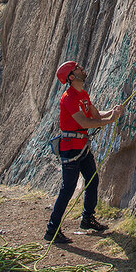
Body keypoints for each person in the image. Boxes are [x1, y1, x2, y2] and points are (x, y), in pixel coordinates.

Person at [44, 61, 122, 244]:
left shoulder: (82, 94)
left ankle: (87, 219)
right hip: (71, 148)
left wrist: (112, 112)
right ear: (71, 77)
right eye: (78, 68)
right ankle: (52, 229)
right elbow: (84, 123)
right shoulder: (68, 98)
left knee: (92, 180)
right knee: (68, 188)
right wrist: (110, 120)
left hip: (81, 147)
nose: (82, 69)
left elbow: (94, 115)